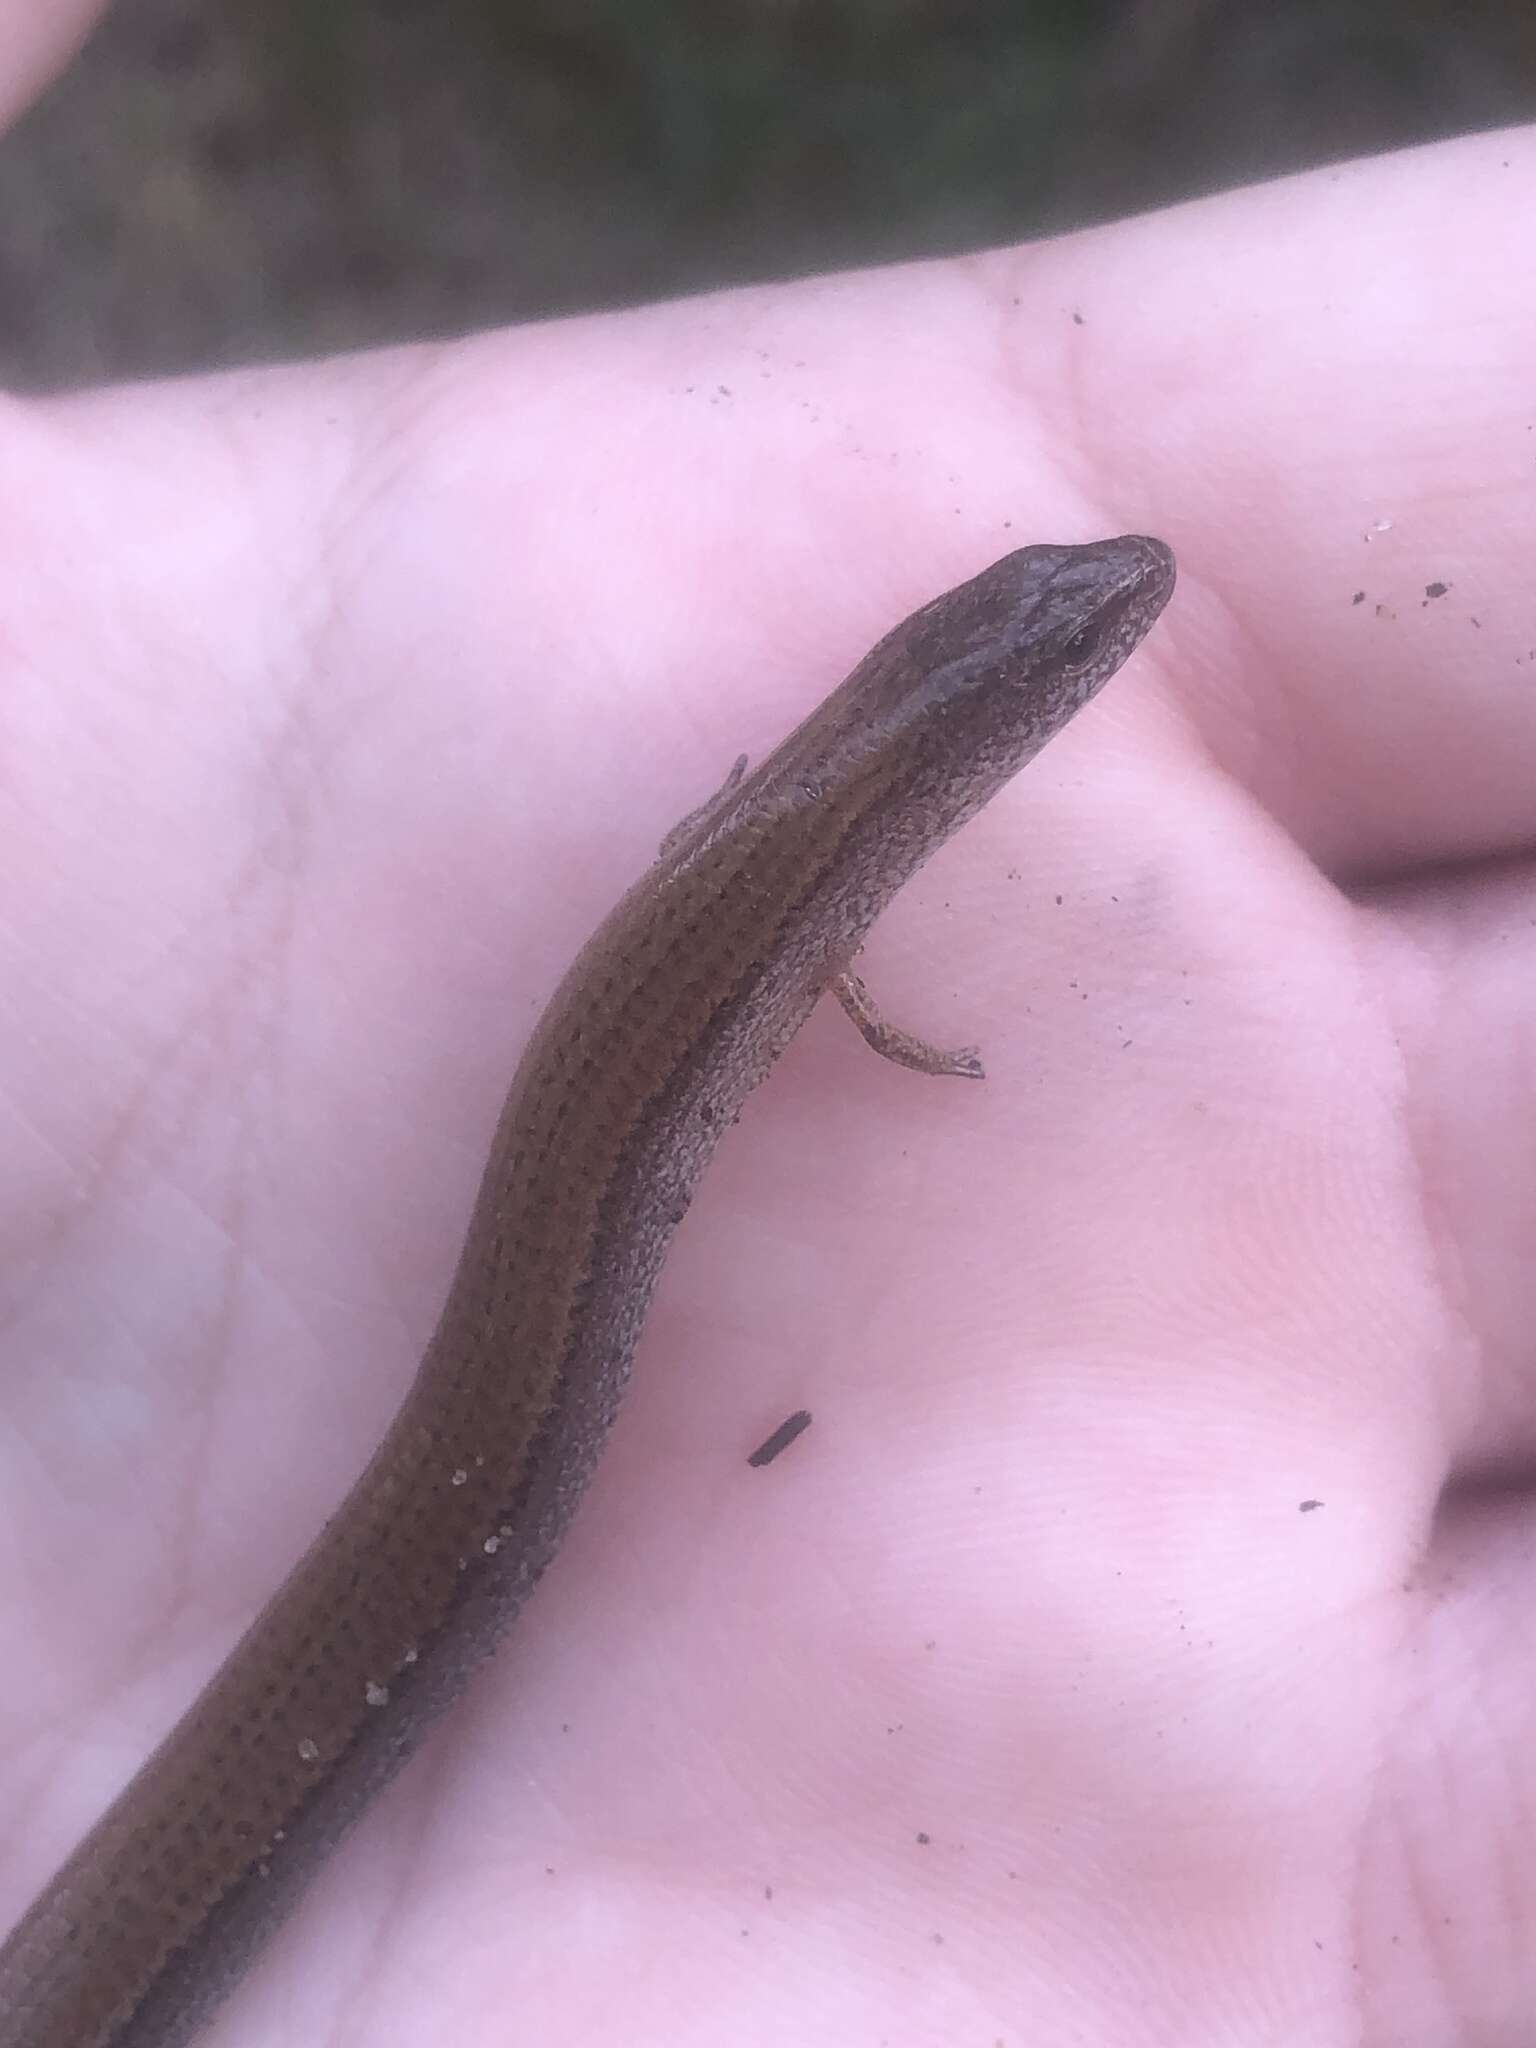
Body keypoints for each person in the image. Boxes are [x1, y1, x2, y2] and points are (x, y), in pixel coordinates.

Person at [1, 11, 1532, 2043]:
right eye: (1066, 645)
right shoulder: (830, 852)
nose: (1103, 624)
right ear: (988, 712)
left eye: (1068, 634)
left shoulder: (822, 837)